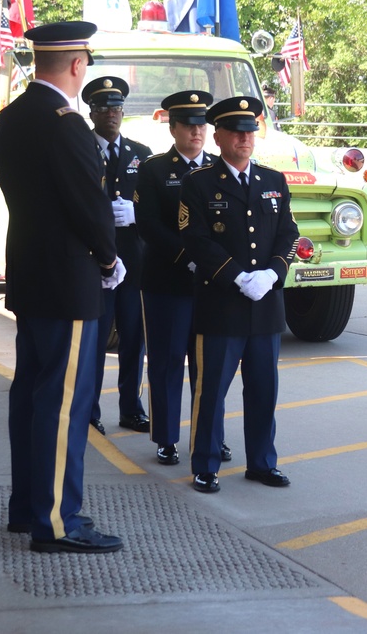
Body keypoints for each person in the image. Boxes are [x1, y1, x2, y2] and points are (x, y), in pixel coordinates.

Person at [0, 20, 124, 553]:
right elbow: (87, 205)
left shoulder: (12, 117)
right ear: (75, 65)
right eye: (86, 62)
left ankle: (28, 507)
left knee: (31, 394)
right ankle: (59, 522)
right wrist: (110, 258)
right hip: (68, 281)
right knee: (64, 401)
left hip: (30, 272)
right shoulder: (66, 124)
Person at [179, 96, 300, 493]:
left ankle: (262, 462)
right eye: (236, 131)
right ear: (218, 137)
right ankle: (206, 464)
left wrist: (273, 273)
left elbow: (288, 234)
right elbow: (194, 239)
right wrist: (235, 276)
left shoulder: (273, 181)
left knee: (264, 390)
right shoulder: (198, 183)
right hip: (221, 305)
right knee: (211, 390)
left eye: (250, 131)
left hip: (265, 305)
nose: (245, 139)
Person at [134, 90, 231, 466]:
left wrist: (214, 263)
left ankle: (210, 437)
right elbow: (149, 226)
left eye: (201, 125)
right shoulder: (154, 169)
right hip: (167, 282)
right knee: (168, 361)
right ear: (172, 128)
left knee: (211, 369)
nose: (197, 132)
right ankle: (167, 437)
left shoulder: (219, 169)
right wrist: (188, 256)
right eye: (188, 125)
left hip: (211, 285)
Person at [81, 76, 152, 436]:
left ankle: (130, 408)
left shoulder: (141, 154)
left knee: (132, 337)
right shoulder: (81, 150)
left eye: (117, 107)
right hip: (97, 262)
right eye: (103, 107)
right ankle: (89, 408)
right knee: (94, 340)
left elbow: (160, 206)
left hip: (134, 262)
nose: (111, 113)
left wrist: (138, 213)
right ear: (91, 112)